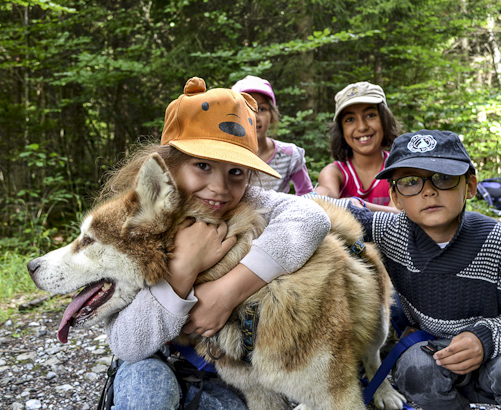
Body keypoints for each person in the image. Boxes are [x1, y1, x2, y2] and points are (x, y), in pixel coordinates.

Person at [103, 77, 332, 409]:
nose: (220, 188)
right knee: (149, 395)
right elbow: (127, 344)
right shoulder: (136, 218)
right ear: (167, 164)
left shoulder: (246, 201)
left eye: (235, 172)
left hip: (225, 370)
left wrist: (228, 291)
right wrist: (183, 270)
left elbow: (313, 218)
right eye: (203, 165)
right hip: (157, 363)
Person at [315, 129, 501, 409]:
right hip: (435, 347)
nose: (428, 190)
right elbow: (319, 206)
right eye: (410, 182)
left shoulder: (498, 240)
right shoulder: (390, 232)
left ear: (470, 186)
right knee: (413, 369)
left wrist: (484, 338)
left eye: (443, 178)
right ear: (396, 198)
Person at [315, 81, 401, 213]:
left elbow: (399, 215)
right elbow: (323, 197)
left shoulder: (399, 168)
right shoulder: (334, 172)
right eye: (350, 119)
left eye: (370, 115)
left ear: (385, 121)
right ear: (341, 131)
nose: (362, 127)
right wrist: (318, 197)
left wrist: (358, 205)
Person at [231, 75, 313, 195]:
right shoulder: (227, 157)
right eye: (245, 109)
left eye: (262, 109)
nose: (254, 117)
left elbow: (307, 196)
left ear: (272, 115)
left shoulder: (289, 155)